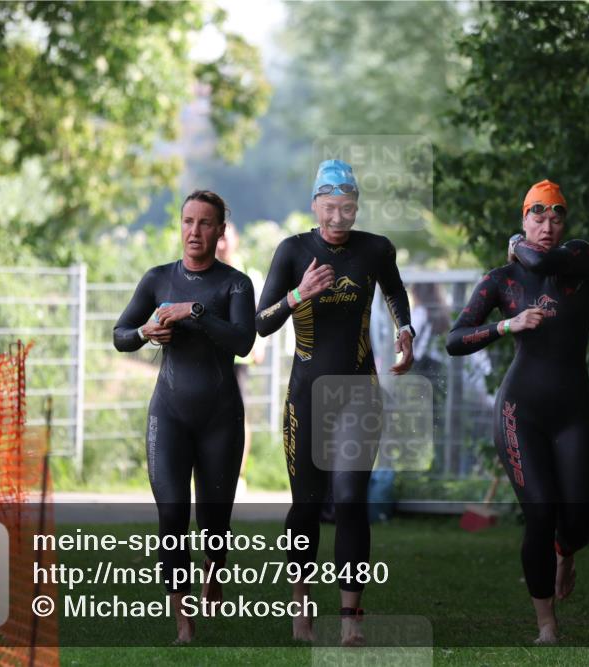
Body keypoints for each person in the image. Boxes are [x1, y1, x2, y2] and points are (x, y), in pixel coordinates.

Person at [255, 159, 415, 646]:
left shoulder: (375, 249)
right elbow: (260, 324)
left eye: (347, 208)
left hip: (359, 394)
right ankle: (301, 608)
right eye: (329, 207)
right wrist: (297, 294)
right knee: (305, 506)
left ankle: (351, 620)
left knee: (349, 501)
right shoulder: (292, 251)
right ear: (315, 206)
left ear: (356, 208)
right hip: (306, 398)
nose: (338, 218)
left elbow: (395, 292)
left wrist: (405, 330)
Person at [445, 179, 589, 645]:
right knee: (539, 512)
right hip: (520, 411)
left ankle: (565, 551)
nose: (547, 227)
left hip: (573, 410)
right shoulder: (501, 281)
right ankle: (546, 626)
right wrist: (505, 324)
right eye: (536, 217)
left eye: (555, 217)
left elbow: (537, 258)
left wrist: (516, 244)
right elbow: (454, 340)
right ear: (523, 217)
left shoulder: (577, 260)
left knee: (576, 521)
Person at [113, 190, 255, 643]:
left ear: (220, 231)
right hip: (169, 416)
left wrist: (192, 312)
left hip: (220, 418)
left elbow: (243, 341)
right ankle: (184, 626)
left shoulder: (235, 284)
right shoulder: (157, 279)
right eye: (188, 222)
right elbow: (120, 335)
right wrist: (145, 330)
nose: (194, 232)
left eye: (205, 223)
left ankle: (216, 563)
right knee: (172, 515)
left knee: (213, 522)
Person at [215, 222, 267, 493]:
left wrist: (260, 345)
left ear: (235, 240)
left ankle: (238, 475)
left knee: (238, 416)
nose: (221, 244)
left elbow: (261, 313)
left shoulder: (250, 275)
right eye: (218, 239)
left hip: (240, 359)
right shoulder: (207, 272)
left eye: (226, 238)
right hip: (213, 356)